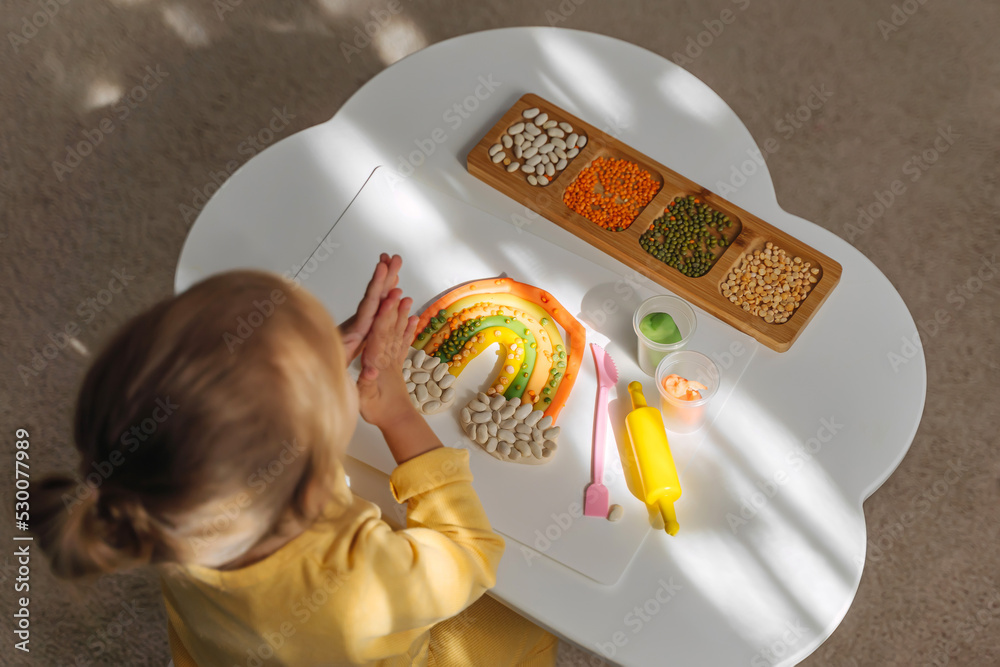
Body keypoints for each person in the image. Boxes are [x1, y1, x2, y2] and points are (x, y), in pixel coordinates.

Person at [34, 255, 557, 666]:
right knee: (529, 625)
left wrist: (324, 357)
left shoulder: (157, 502)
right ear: (312, 470)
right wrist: (396, 411)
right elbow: (470, 552)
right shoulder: (354, 578)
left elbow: (216, 408)